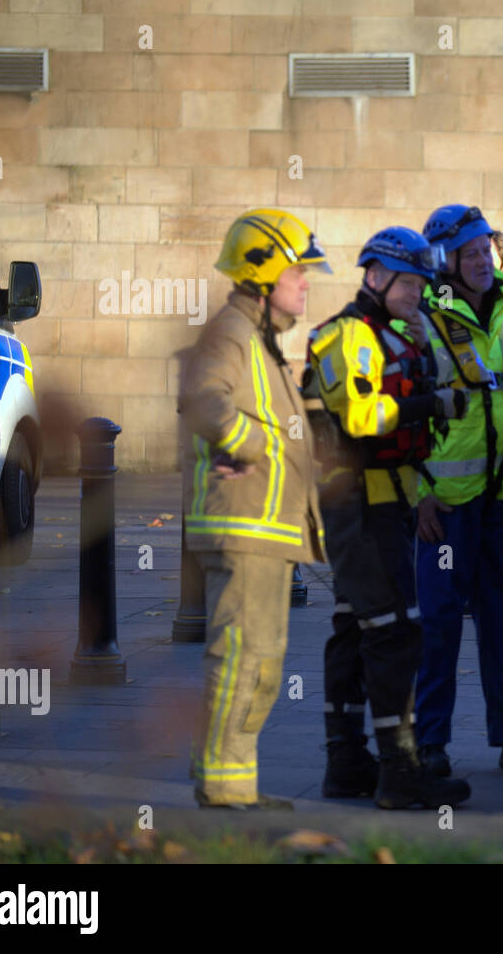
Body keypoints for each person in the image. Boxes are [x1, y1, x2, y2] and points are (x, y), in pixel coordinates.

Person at [302, 226, 472, 809]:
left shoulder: (394, 334)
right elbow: (360, 417)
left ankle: (347, 763)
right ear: (375, 276)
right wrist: (429, 403)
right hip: (359, 504)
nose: (419, 292)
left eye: (424, 283)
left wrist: (425, 356)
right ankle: (399, 771)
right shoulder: (349, 336)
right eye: (409, 283)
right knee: (396, 631)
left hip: (386, 500)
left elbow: (413, 405)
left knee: (357, 628)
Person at [179, 208, 330, 810]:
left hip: (267, 530)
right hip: (243, 526)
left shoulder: (259, 341)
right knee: (241, 654)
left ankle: (234, 784)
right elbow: (199, 398)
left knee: (261, 661)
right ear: (263, 275)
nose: (306, 283)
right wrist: (247, 444)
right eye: (298, 272)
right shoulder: (232, 333)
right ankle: (220, 787)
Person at [414, 205, 503, 778]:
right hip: (444, 507)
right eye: (469, 253)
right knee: (437, 626)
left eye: (487, 250)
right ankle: (428, 745)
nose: (483, 261)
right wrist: (418, 493)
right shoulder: (421, 318)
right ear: (444, 262)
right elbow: (404, 416)